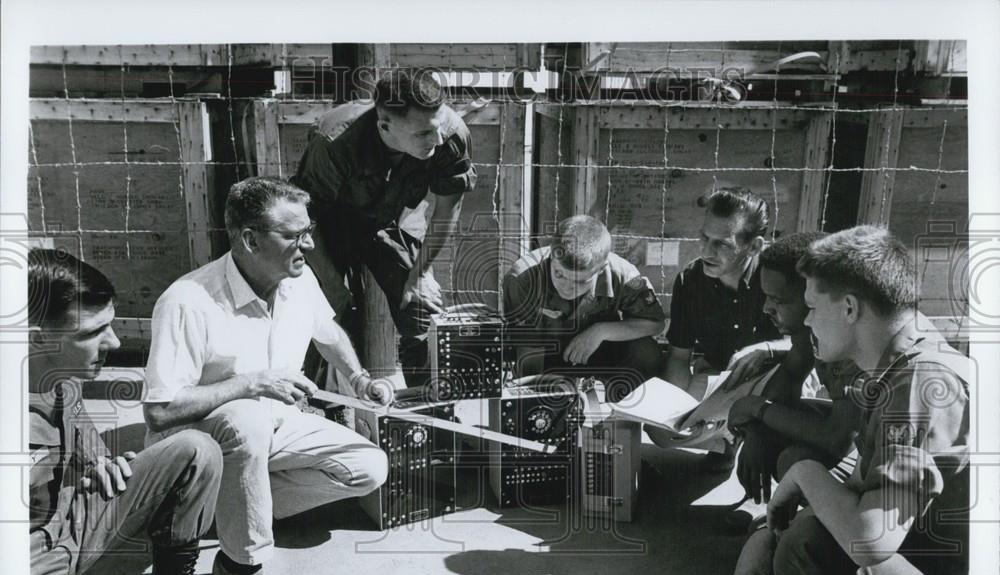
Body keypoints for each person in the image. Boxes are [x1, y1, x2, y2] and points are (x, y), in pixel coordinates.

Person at [143, 178, 390, 575]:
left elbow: (328, 332)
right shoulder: (187, 301)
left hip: (273, 428)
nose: (310, 244)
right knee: (245, 420)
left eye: (308, 231)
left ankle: (227, 512)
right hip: (202, 448)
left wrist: (359, 378)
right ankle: (241, 562)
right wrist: (251, 383)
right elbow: (161, 411)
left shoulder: (298, 280)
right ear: (250, 239)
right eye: (294, 235)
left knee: (369, 468)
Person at [732, 226, 969, 575]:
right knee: (805, 529)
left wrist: (801, 472)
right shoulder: (906, 358)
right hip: (948, 573)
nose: (804, 322)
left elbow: (869, 538)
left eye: (811, 307)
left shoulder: (918, 382)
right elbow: (859, 484)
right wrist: (766, 531)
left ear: (848, 308)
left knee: (808, 547)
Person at [27, 249, 253, 575]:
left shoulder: (60, 376)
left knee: (195, 450)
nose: (113, 342)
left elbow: (81, 437)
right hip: (30, 573)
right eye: (93, 332)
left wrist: (97, 463)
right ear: (38, 337)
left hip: (72, 521)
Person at [293, 68, 477, 386]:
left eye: (438, 128)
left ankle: (427, 413)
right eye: (422, 134)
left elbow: (448, 209)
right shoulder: (334, 141)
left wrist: (419, 274)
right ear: (385, 126)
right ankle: (320, 404)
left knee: (421, 307)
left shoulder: (450, 134)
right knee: (326, 310)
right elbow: (306, 217)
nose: (436, 141)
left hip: (395, 221)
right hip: (330, 223)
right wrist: (332, 287)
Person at [726, 231, 861, 512]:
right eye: (766, 297)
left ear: (814, 295)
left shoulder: (851, 346)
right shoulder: (809, 328)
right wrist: (758, 432)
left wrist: (757, 409)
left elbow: (838, 439)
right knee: (776, 434)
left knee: (795, 461)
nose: (766, 308)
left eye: (779, 300)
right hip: (858, 438)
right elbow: (791, 373)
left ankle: (820, 530)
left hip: (887, 463)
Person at [502, 215, 665, 396]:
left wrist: (601, 331)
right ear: (551, 257)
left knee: (646, 351)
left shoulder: (622, 274)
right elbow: (527, 349)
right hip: (544, 357)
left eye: (580, 282)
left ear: (602, 269)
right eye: (559, 274)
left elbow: (655, 322)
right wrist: (534, 398)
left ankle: (623, 412)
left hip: (598, 353)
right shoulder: (522, 279)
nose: (567, 287)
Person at [664, 187, 784, 399]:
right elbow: (679, 359)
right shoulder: (689, 281)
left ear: (753, 247)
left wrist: (767, 349)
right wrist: (674, 409)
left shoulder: (780, 277)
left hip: (775, 377)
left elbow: (807, 345)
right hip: (716, 377)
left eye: (721, 244)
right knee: (663, 431)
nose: (706, 252)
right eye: (704, 238)